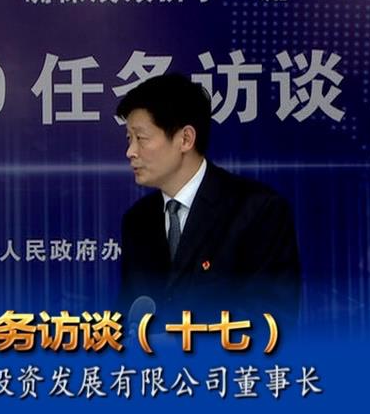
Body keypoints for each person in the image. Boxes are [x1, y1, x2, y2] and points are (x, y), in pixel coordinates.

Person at [115, 73, 301, 326]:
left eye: (141, 138)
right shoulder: (137, 220)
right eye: (129, 139)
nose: (130, 152)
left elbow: (273, 318)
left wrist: (180, 341)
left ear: (185, 139)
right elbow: (126, 313)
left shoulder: (258, 210)